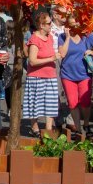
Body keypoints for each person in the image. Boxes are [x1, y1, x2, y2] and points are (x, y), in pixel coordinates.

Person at [58, 18, 93, 140]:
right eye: (71, 26)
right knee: (72, 103)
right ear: (67, 26)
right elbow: (62, 53)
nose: (74, 29)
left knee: (85, 102)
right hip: (68, 75)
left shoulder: (86, 36)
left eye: (76, 25)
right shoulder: (62, 37)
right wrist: (68, 38)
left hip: (84, 75)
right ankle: (78, 129)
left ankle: (86, 124)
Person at [24, 9, 61, 137]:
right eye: (49, 23)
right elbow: (32, 61)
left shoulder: (50, 37)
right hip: (36, 77)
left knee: (51, 104)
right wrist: (51, 59)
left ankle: (48, 129)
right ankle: (34, 128)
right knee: (35, 104)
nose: (51, 25)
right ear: (41, 25)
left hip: (50, 76)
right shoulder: (35, 39)